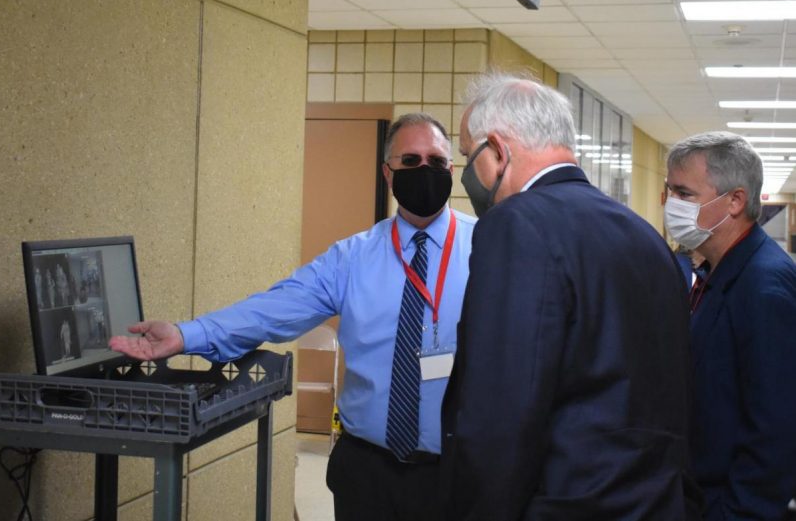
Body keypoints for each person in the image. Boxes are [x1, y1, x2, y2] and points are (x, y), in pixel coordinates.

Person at [109, 113, 476, 521]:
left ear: (452, 170)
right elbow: (276, 308)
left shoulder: (488, 248)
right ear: (388, 174)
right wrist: (185, 334)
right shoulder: (352, 257)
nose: (425, 171)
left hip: (458, 474)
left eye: (437, 162)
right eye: (411, 161)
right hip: (368, 471)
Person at [440, 74, 700, 520]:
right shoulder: (644, 236)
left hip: (560, 504)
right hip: (652, 502)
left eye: (467, 156)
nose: (466, 175)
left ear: (498, 150)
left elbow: (501, 411)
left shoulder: (516, 225)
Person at [665, 131, 796, 520]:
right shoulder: (717, 271)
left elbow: (774, 428)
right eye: (669, 192)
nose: (672, 205)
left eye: (684, 194)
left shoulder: (763, 286)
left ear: (735, 201)